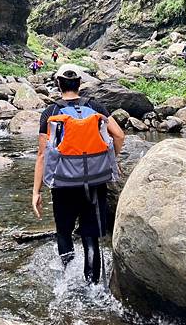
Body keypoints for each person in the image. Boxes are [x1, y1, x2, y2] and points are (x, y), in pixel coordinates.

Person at [32, 64, 124, 285]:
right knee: (90, 236)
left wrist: (36, 191)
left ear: (58, 84)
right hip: (95, 181)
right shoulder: (96, 106)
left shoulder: (50, 112)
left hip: (63, 183)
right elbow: (119, 136)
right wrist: (110, 159)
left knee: (63, 233)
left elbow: (42, 155)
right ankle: (92, 287)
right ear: (80, 84)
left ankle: (67, 281)